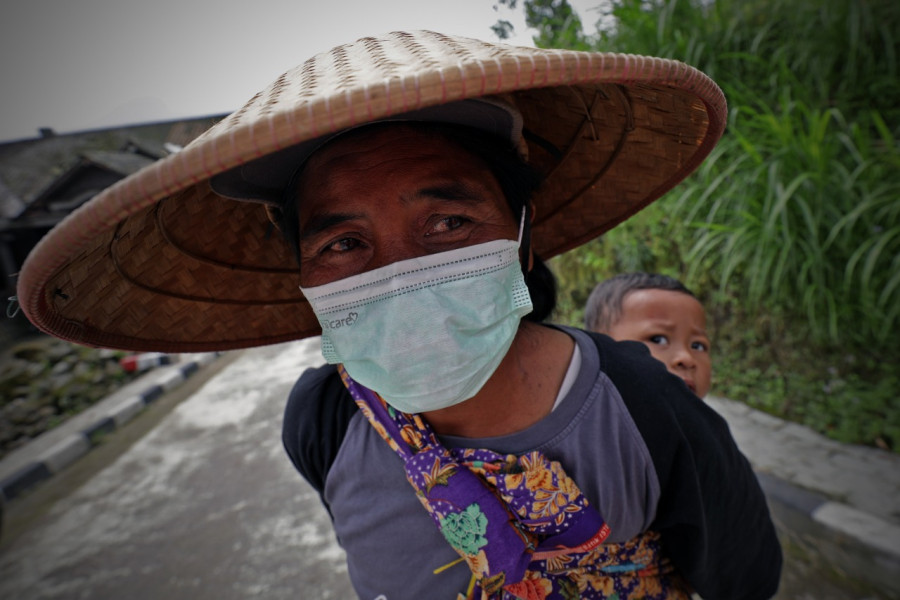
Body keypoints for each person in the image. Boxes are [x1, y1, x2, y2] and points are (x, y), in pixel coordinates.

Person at [16, 31, 781, 599]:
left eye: (448, 224)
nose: (401, 273)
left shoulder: (644, 405)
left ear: (521, 236)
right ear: (303, 274)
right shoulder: (323, 420)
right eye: (345, 242)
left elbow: (742, 576)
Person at [585, 273, 712, 398]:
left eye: (697, 346)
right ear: (597, 352)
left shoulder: (707, 419)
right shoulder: (583, 416)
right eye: (658, 339)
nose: (687, 358)